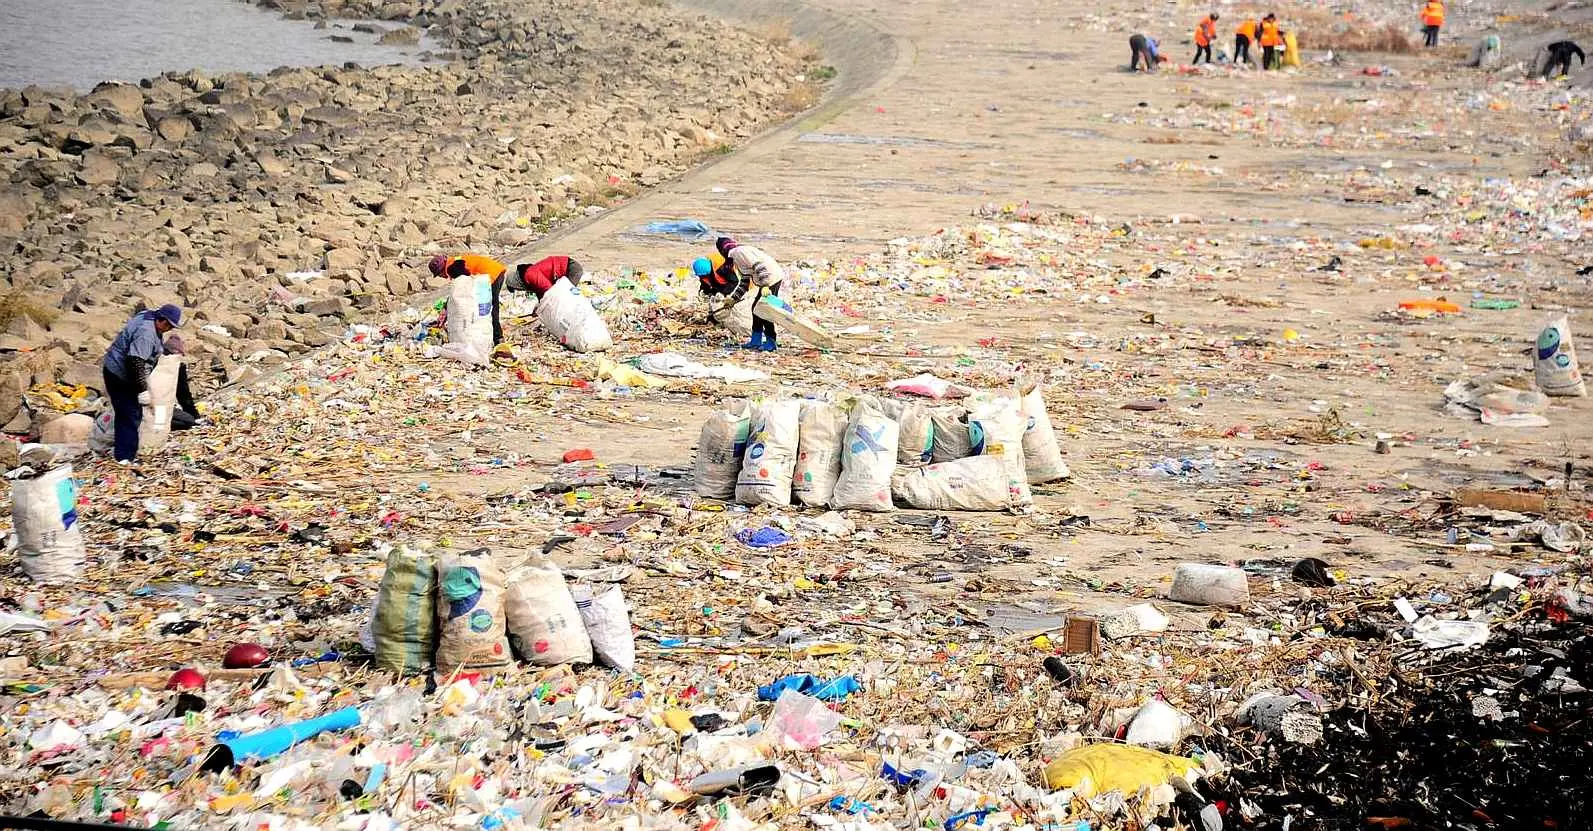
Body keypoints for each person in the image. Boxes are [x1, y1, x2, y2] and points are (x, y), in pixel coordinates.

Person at [101, 304, 181, 462]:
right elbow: (135, 361)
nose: (168, 330)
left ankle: (125, 452)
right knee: (129, 415)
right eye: (169, 326)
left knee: (129, 413)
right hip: (120, 374)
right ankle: (124, 458)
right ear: (162, 321)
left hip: (114, 368)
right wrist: (142, 389)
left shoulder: (147, 315)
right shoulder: (146, 333)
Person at [693, 236, 787, 351]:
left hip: (771, 277)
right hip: (768, 278)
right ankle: (755, 340)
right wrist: (733, 299)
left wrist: (765, 285)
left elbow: (759, 266)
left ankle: (771, 342)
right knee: (756, 309)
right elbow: (744, 283)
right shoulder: (736, 258)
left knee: (764, 310)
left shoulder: (739, 252)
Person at [494, 256, 586, 345]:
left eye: (517, 288)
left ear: (517, 283)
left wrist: (545, 309)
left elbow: (550, 291)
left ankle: (576, 328)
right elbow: (542, 296)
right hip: (567, 270)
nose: (521, 290)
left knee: (565, 300)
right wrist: (538, 308)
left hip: (571, 269)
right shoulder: (529, 278)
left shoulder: (529, 275)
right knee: (562, 303)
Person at [162, 335, 203, 431]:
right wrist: (195, 416)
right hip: (160, 408)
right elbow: (183, 395)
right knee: (188, 420)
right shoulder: (177, 368)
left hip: (142, 407)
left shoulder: (152, 362)